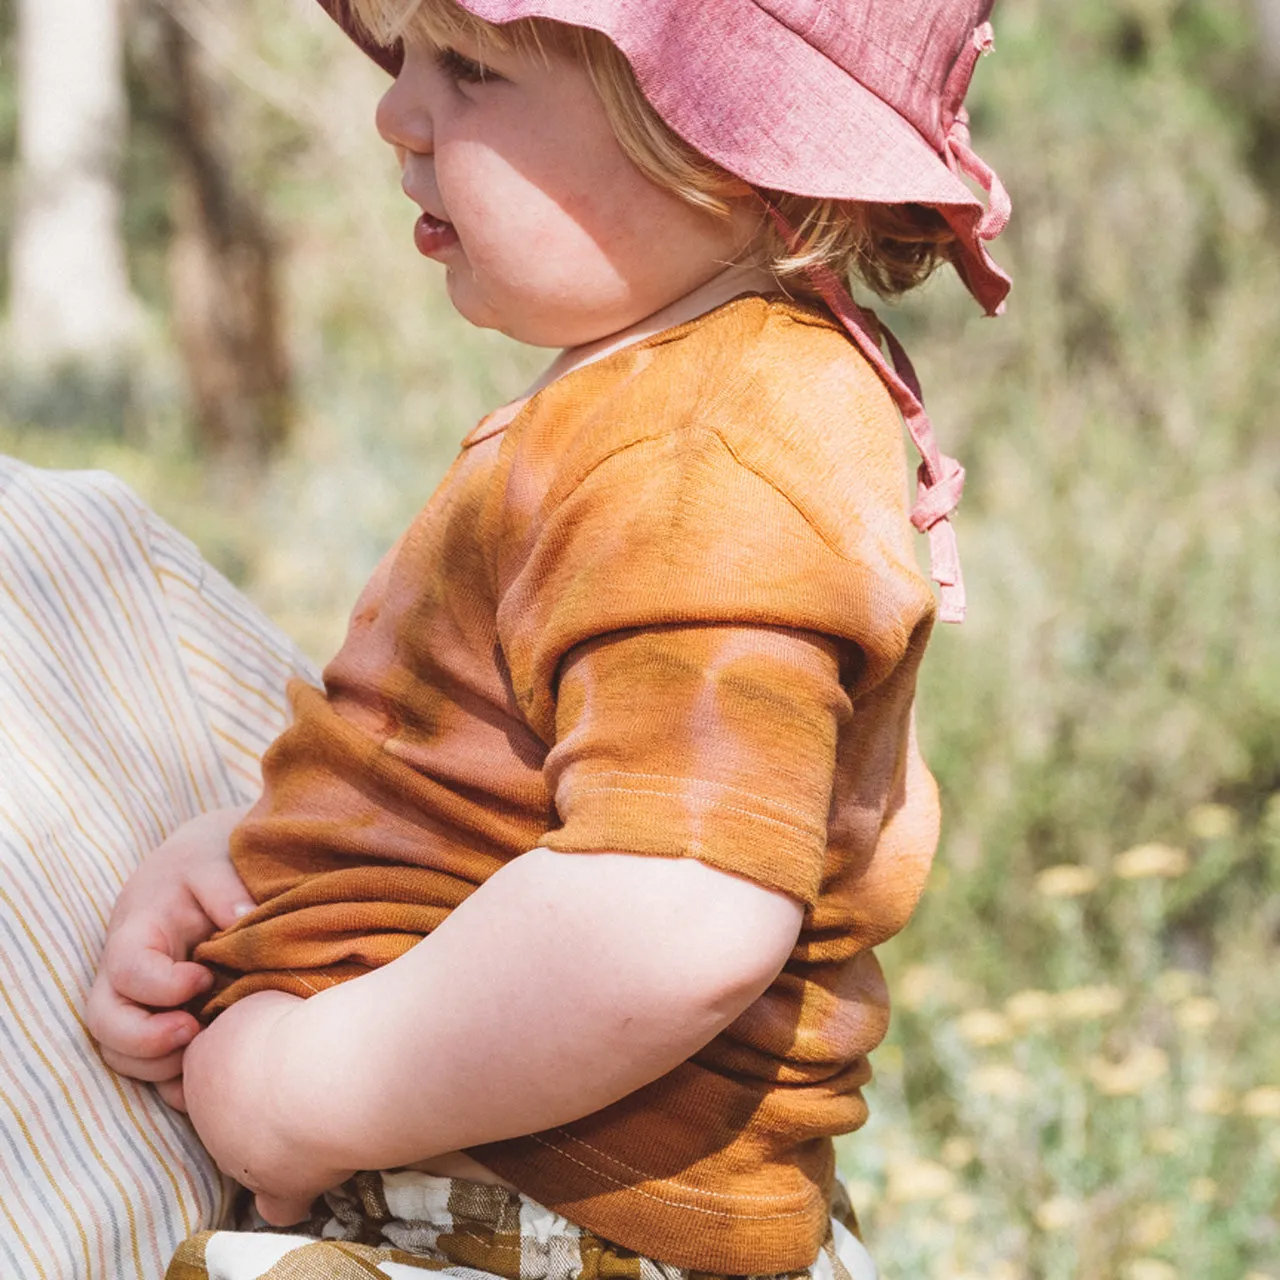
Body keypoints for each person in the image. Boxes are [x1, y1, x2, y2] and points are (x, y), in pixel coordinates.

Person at [79, 2, 1012, 1277]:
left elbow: (671, 904)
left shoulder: (709, 446)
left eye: (468, 67)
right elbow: (526, 779)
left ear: (722, 146)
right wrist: (274, 857)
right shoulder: (649, 394)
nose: (395, 112)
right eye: (407, 56)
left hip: (541, 1223)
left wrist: (308, 1092)